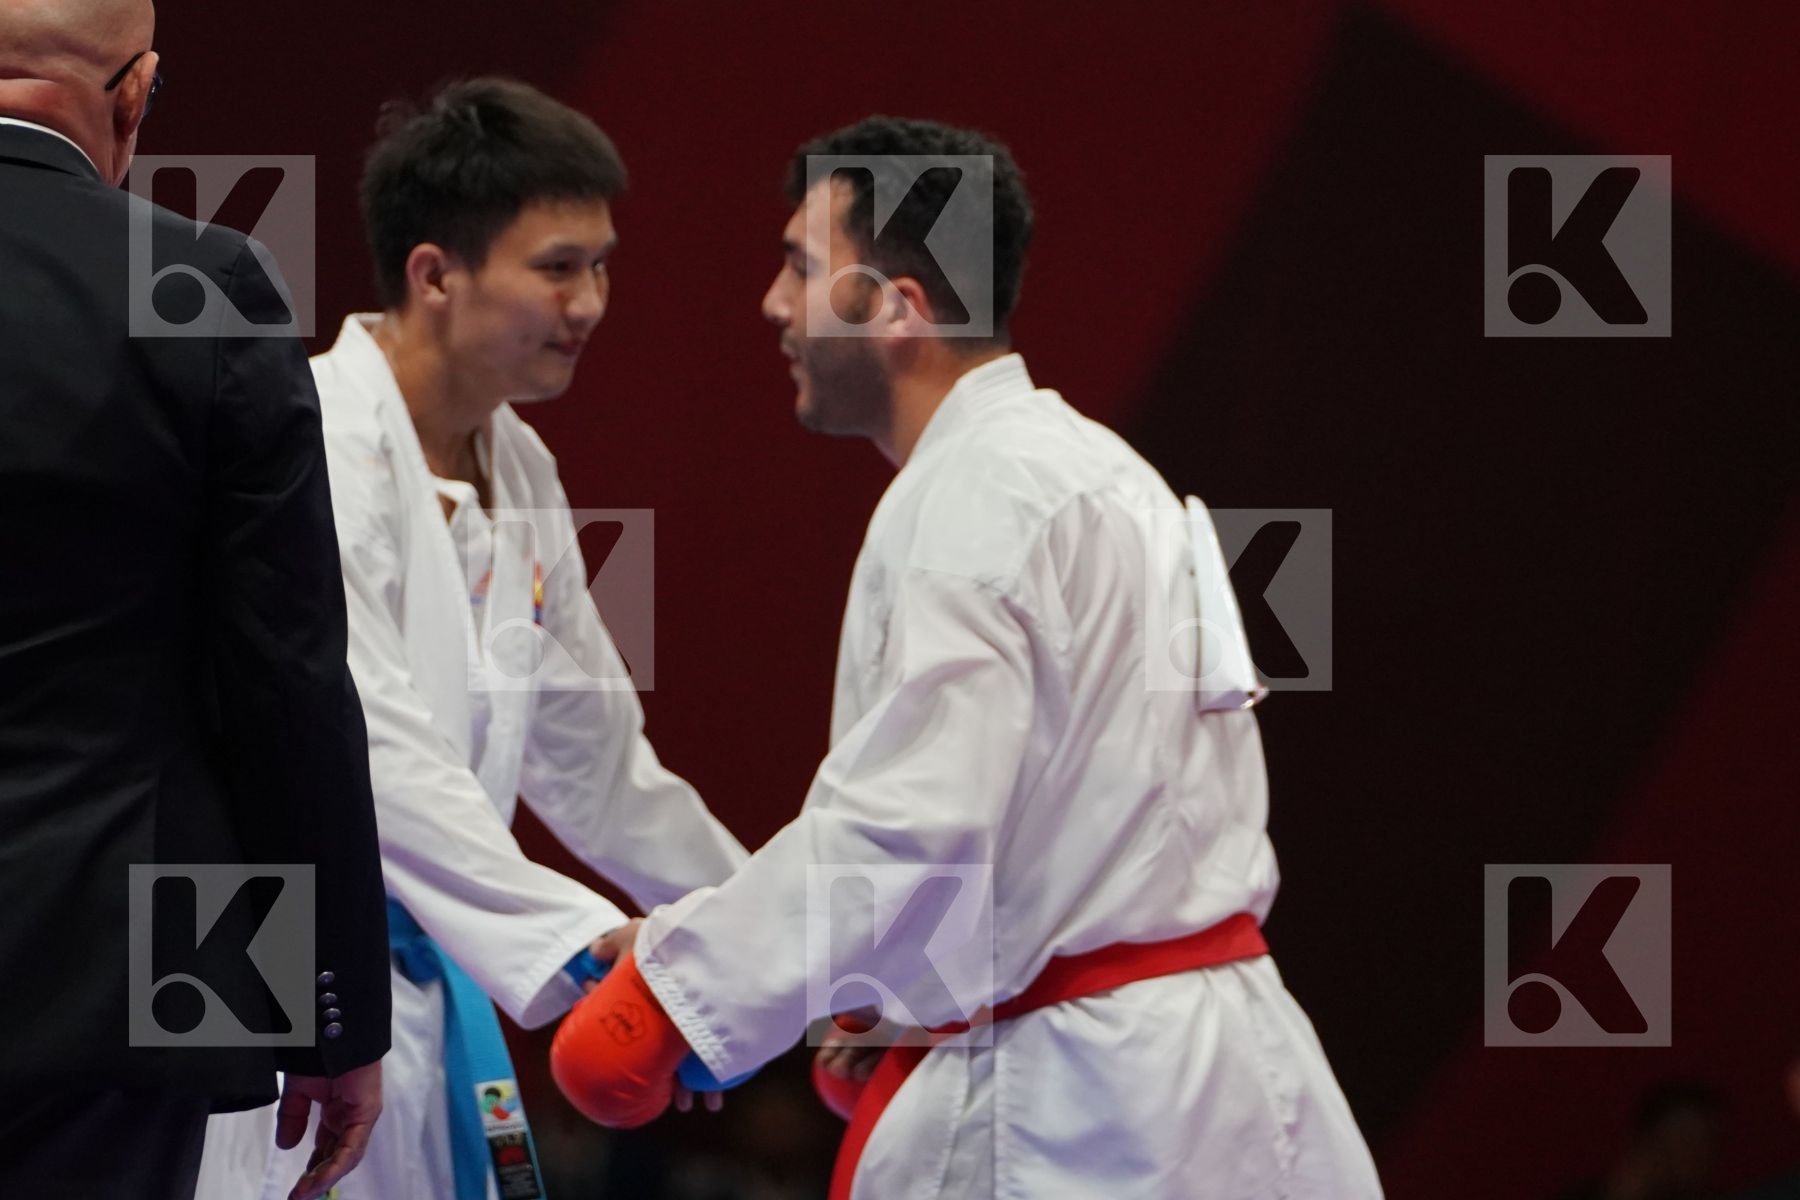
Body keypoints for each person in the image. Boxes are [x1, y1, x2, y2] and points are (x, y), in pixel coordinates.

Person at [551, 115, 1382, 1197]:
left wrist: (675, 990)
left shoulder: (974, 496)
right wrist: (891, 1001)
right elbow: (1053, 817)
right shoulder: (1105, 469)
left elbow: (916, 822)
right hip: (1226, 1070)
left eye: (801, 266)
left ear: (898, 307)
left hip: (1079, 1113)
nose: (773, 303)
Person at [195, 77, 747, 1200]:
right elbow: (365, 742)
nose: (590, 302)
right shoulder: (311, 437)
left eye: (601, 265)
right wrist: (584, 943)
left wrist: (768, 935)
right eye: (557, 267)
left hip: (437, 978)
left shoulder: (522, 463)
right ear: (435, 273)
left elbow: (599, 765)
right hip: (289, 989)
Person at [0, 2, 390, 1199]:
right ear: (134, 94)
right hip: (131, 976)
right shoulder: (202, 285)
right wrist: (331, 1010)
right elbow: (284, 681)